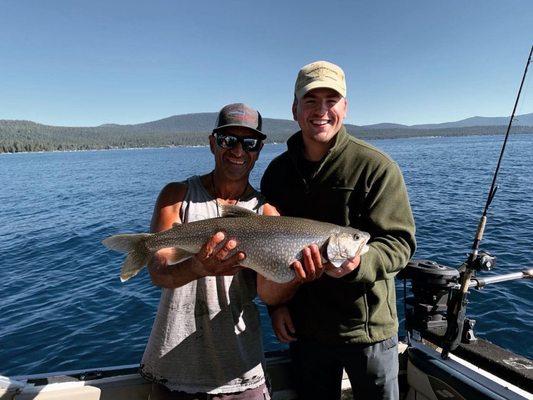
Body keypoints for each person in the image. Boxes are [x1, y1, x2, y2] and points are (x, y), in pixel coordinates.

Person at [259, 61, 417, 400]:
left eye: (331, 100)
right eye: (311, 100)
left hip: (368, 332)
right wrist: (276, 307)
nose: (322, 111)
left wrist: (360, 264)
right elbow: (265, 245)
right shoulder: (276, 173)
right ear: (294, 108)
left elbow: (400, 244)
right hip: (305, 331)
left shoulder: (376, 167)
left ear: (345, 106)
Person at [140, 103, 278, 400]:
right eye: (229, 140)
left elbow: (269, 293)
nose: (238, 151)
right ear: (213, 142)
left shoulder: (266, 213)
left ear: (259, 149)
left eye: (249, 143)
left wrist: (299, 277)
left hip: (241, 373)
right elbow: (158, 271)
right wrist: (197, 268)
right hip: (173, 371)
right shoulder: (176, 196)